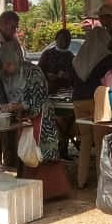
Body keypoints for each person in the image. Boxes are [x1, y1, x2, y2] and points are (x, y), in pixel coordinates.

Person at [0, 40, 58, 162]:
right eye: (4, 64)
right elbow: (0, 96)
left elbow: (37, 101)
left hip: (41, 121)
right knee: (25, 159)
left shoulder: (33, 72)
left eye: (9, 64)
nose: (6, 67)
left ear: (17, 60)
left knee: (40, 159)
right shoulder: (5, 75)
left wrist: (17, 106)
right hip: (21, 122)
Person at [71, 27, 112, 189]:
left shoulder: (79, 56)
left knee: (85, 141)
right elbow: (110, 80)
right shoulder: (106, 57)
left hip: (78, 100)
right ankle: (102, 182)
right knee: (100, 143)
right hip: (97, 100)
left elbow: (72, 80)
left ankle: (81, 180)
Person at [38, 29, 76, 159]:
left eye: (66, 39)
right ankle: (52, 148)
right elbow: (39, 71)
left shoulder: (71, 56)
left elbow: (74, 75)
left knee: (67, 120)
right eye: (61, 39)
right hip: (49, 92)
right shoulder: (47, 54)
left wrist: (65, 76)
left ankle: (63, 149)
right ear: (56, 39)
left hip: (65, 93)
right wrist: (48, 76)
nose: (63, 41)